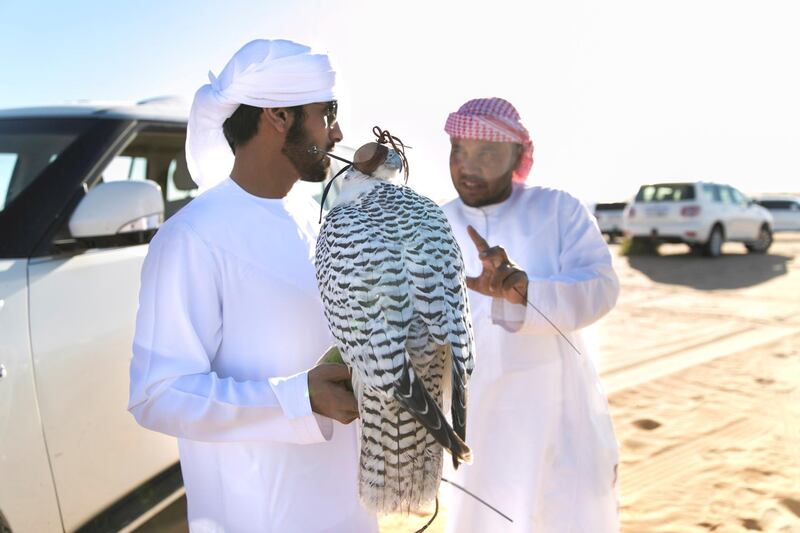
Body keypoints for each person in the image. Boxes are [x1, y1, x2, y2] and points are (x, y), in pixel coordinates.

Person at [128, 39, 378, 533]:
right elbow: (157, 394)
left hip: (348, 509)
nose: (339, 132)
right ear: (278, 117)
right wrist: (296, 398)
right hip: (258, 515)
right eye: (327, 114)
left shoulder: (317, 217)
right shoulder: (192, 236)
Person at [440, 97, 620, 532]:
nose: (468, 165)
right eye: (459, 151)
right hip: (475, 421)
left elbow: (602, 287)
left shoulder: (558, 210)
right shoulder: (435, 224)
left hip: (556, 412)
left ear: (518, 156)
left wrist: (527, 294)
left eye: (486, 153)